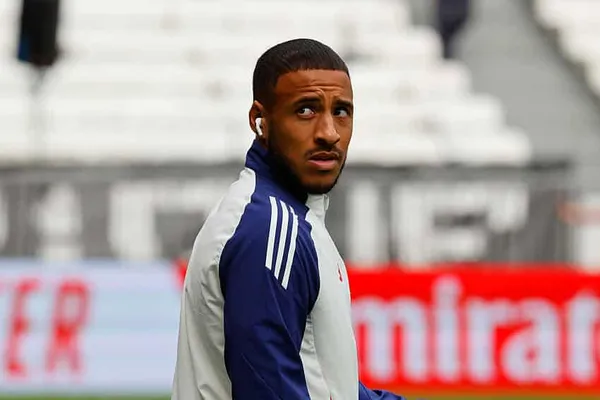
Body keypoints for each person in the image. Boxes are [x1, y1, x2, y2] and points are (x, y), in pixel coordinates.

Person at [171, 38, 406, 400]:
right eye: (306, 110)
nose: (329, 133)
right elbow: (270, 389)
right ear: (260, 120)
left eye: (341, 111)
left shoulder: (287, 217)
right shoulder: (271, 229)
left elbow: (327, 384)